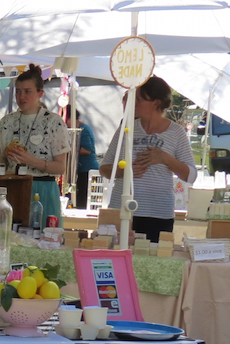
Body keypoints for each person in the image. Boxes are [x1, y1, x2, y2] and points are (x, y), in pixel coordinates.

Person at [98, 76, 197, 242]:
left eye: (138, 99)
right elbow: (105, 168)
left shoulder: (176, 132)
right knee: (115, 258)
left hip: (157, 213)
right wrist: (123, 172)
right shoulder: (126, 127)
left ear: (156, 103)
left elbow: (191, 176)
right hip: (121, 210)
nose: (132, 103)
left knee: (152, 261)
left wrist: (165, 158)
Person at [0, 64, 71, 224]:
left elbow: (60, 168)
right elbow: (3, 164)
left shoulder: (53, 122)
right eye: (18, 91)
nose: (21, 97)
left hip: (43, 189)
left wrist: (30, 160)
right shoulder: (7, 121)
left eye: (27, 91)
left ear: (40, 93)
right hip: (13, 187)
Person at [72, 110, 99, 209]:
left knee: (83, 199)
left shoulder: (84, 129)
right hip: (81, 170)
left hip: (88, 170)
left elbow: (87, 149)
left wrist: (69, 151)